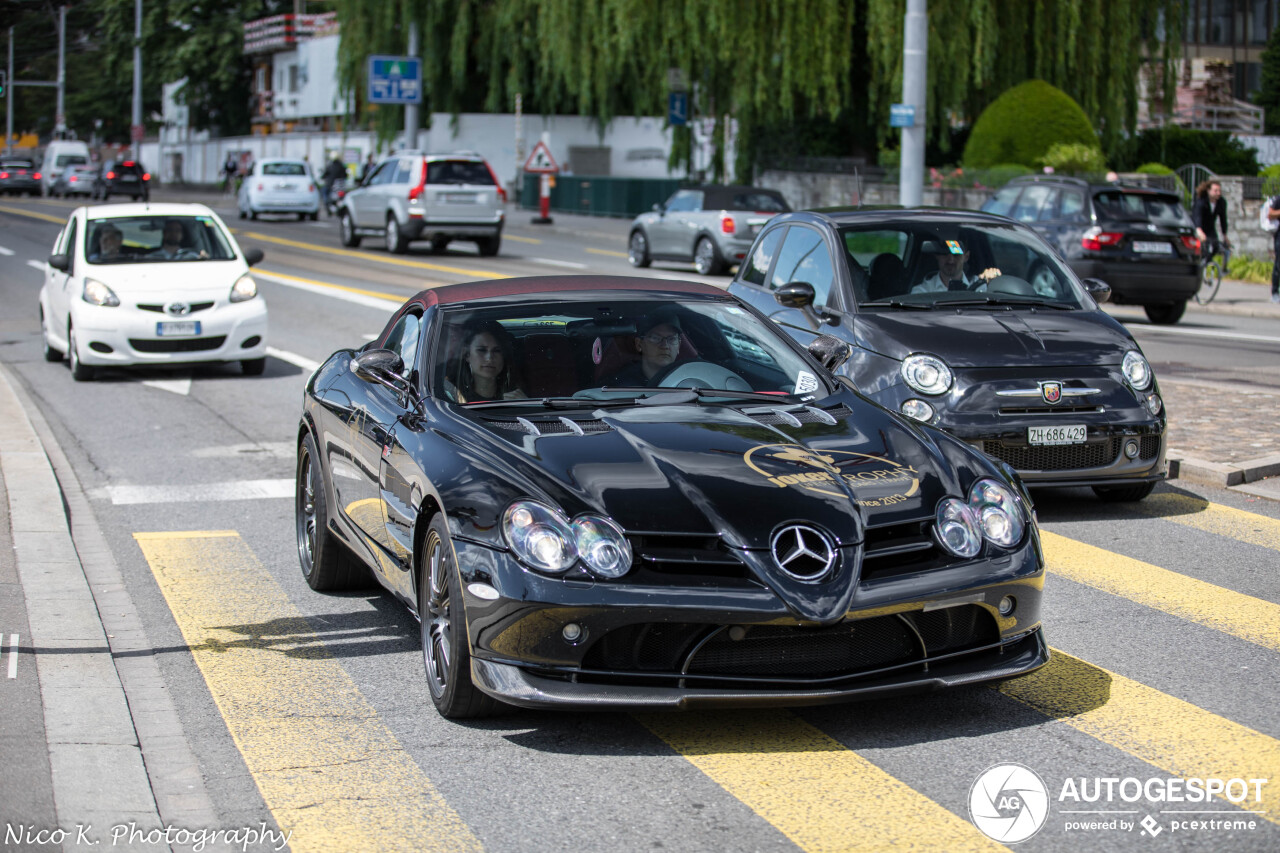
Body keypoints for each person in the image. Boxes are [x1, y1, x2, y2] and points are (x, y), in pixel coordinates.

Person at [445, 319, 527, 402]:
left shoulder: (519, 394)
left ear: (504, 356)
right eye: (482, 350)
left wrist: (525, 405)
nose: (489, 358)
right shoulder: (450, 395)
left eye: (497, 351)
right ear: (466, 355)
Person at [606, 310, 686, 387]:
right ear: (639, 344)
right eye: (655, 338)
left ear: (679, 345)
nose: (665, 345)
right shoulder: (620, 386)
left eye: (671, 339)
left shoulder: (689, 381)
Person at [911, 240, 988, 293]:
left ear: (966, 257)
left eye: (956, 255)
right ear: (937, 256)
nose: (950, 261)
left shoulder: (979, 288)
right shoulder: (922, 292)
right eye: (945, 254)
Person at [1193, 179, 1231, 275]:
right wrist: (1199, 230)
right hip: (1198, 226)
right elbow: (1197, 216)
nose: (1218, 193)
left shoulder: (1221, 202)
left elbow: (1223, 219)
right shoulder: (1201, 201)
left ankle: (1205, 265)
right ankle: (1197, 265)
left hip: (1210, 227)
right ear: (1208, 191)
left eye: (1219, 191)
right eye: (1215, 190)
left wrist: (1225, 235)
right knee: (1202, 248)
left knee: (1215, 246)